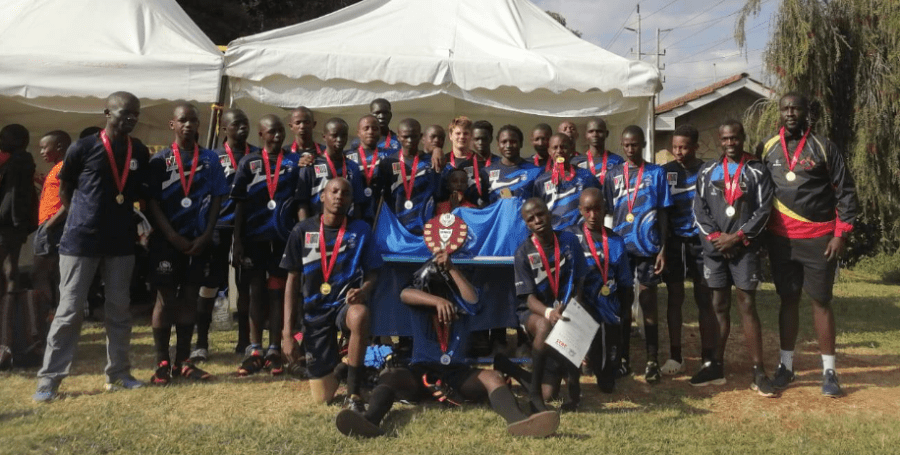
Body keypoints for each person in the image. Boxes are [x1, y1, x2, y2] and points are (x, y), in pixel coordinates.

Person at [335, 246, 559, 438]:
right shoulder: (420, 300)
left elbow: (474, 298)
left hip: (457, 373)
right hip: (421, 373)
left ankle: (518, 421)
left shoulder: (462, 301)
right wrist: (436, 301)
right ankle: (369, 419)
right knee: (389, 376)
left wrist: (452, 268)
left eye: (444, 282)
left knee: (493, 377)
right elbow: (405, 294)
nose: (440, 285)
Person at [34, 92, 151, 401]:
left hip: (121, 242)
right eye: (124, 112)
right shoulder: (83, 147)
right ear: (107, 112)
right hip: (80, 241)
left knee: (118, 310)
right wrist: (76, 215)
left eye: (135, 113)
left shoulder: (137, 150)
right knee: (70, 311)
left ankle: (119, 373)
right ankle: (49, 382)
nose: (130, 118)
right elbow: (66, 185)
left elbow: (139, 191)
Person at [760, 93, 858, 397]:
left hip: (819, 240)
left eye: (796, 109)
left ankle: (829, 372)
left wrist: (840, 233)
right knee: (787, 300)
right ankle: (786, 366)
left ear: (806, 113)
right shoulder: (767, 147)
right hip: (781, 240)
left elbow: (846, 192)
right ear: (780, 112)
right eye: (785, 109)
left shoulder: (824, 147)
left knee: (820, 302)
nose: (790, 113)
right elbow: (758, 192)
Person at [146, 102, 227, 384]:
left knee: (191, 297)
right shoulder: (159, 160)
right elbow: (151, 202)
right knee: (165, 299)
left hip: (198, 239)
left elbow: (218, 196)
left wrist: (206, 234)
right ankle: (161, 362)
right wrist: (170, 235)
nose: (188, 125)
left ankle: (183, 360)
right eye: (183, 120)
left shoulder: (210, 160)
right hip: (167, 240)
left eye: (193, 120)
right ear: (173, 124)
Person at [281, 177, 380, 407]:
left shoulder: (361, 230)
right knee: (322, 398)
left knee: (360, 314)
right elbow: (292, 281)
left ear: (351, 200)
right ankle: (343, 365)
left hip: (344, 307)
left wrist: (363, 291)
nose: (339, 197)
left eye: (345, 193)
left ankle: (353, 393)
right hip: (315, 314)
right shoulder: (302, 231)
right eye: (333, 192)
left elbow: (374, 274)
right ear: (322, 196)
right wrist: (287, 333)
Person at [694, 120, 775, 396]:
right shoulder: (708, 171)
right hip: (716, 249)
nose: (730, 144)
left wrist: (737, 238)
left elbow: (764, 211)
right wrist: (719, 239)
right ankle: (715, 365)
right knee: (718, 304)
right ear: (720, 140)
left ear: (743, 138)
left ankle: (758, 371)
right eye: (726, 139)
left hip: (744, 249)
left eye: (735, 138)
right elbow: (700, 209)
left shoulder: (756, 170)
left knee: (747, 304)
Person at [231, 115, 302, 376]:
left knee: (277, 292)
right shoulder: (248, 163)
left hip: (282, 239)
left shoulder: (293, 163)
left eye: (281, 132)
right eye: (271, 132)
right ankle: (254, 349)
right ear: (260, 134)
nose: (277, 136)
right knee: (254, 292)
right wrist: (237, 240)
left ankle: (273, 349)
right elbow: (239, 203)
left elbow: (299, 202)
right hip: (253, 239)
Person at [603, 125, 673, 383]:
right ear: (622, 145)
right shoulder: (612, 175)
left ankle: (652, 360)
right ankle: (622, 359)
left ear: (643, 144)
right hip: (621, 249)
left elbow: (664, 211)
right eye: (627, 145)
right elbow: (607, 213)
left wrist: (663, 247)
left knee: (647, 302)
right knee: (622, 305)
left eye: (636, 144)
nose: (631, 149)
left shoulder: (656, 173)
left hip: (648, 247)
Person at [194, 108, 261, 359]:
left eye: (245, 123)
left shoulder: (257, 154)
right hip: (219, 226)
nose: (242, 128)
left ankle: (244, 341)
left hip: (249, 227)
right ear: (224, 128)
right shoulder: (213, 157)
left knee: (245, 284)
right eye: (236, 124)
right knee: (210, 282)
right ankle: (201, 341)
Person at [513, 198, 587, 411]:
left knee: (551, 393)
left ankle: (511, 368)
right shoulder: (523, 252)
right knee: (545, 326)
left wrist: (576, 311)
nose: (537, 220)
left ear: (549, 213)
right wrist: (549, 312)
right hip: (534, 312)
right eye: (531, 219)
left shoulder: (569, 241)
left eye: (540, 214)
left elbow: (580, 279)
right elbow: (527, 298)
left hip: (565, 309)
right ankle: (534, 398)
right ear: (527, 224)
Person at [660, 125, 715, 377]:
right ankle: (675, 355)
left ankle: (707, 357)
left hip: (701, 244)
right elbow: (661, 212)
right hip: (674, 244)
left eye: (683, 147)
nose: (678, 152)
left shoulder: (708, 171)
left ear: (695, 146)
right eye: (675, 147)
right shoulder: (666, 172)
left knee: (705, 300)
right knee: (675, 298)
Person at [571, 188, 634, 393]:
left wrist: (625, 310)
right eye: (587, 210)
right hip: (580, 305)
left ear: (605, 209)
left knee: (607, 382)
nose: (592, 215)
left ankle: (605, 364)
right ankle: (584, 357)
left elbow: (625, 282)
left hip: (608, 306)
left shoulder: (616, 241)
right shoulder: (570, 239)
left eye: (597, 209)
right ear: (580, 210)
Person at [0, 124, 37, 369]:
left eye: (4, 137)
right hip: (14, 227)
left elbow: (10, 200)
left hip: (6, 227)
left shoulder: (16, 164)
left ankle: (8, 333)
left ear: (17, 140)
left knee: (8, 267)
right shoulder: (23, 161)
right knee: (10, 268)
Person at [376, 119, 440, 235]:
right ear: (398, 136)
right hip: (395, 228)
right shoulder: (388, 163)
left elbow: (438, 194)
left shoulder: (431, 161)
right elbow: (381, 198)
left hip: (424, 227)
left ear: (420, 136)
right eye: (406, 137)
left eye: (414, 136)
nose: (410, 140)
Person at [32, 131, 71, 318]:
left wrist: (50, 224)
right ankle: (54, 310)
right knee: (52, 272)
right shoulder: (56, 168)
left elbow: (69, 200)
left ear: (59, 148)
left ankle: (48, 311)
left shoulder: (65, 167)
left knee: (41, 272)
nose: (41, 152)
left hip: (53, 226)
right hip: (48, 224)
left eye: (44, 147)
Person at [296, 118, 366, 221]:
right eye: (334, 135)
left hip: (344, 227)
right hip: (317, 226)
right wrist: (306, 228)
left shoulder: (353, 167)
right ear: (324, 137)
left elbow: (358, 203)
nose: (339, 139)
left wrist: (354, 228)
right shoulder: (311, 165)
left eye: (343, 135)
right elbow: (302, 203)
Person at [532, 133, 600, 230]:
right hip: (554, 234)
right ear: (549, 151)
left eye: (563, 147)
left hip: (582, 234)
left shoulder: (586, 176)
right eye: (555, 148)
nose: (559, 151)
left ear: (571, 149)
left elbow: (598, 204)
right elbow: (538, 212)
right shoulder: (541, 181)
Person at [347, 115, 391, 225]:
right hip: (354, 211)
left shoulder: (390, 156)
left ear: (380, 132)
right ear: (358, 132)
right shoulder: (346, 156)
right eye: (366, 128)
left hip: (381, 211)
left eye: (374, 128)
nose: (370, 131)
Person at [484, 125, 542, 204]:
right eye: (504, 142)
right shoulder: (486, 172)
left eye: (513, 142)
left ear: (521, 143)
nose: (508, 146)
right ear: (498, 145)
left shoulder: (536, 172)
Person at [572, 117, 624, 187]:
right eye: (591, 131)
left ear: (607, 134)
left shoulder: (617, 161)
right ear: (586, 134)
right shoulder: (575, 162)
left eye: (599, 131)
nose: (595, 135)